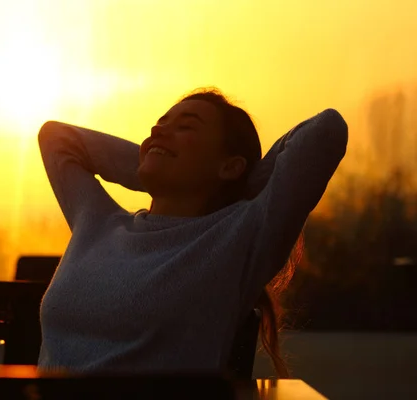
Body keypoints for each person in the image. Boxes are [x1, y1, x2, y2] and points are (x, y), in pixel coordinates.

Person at [36, 87, 348, 377]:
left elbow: (326, 131)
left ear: (229, 166)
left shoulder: (238, 234)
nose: (158, 130)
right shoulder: (97, 220)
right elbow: (56, 137)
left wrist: (240, 185)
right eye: (159, 124)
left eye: (186, 126)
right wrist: (154, 161)